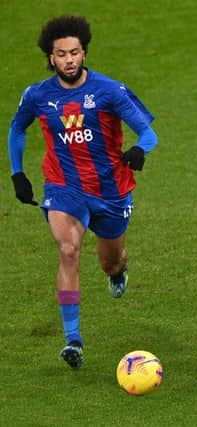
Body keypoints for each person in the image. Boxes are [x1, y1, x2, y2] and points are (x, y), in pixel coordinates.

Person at [8, 16, 158, 369]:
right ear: (51, 58)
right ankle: (73, 339)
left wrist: (140, 149)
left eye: (75, 52)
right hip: (64, 186)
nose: (69, 60)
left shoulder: (110, 91)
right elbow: (17, 129)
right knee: (68, 248)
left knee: (110, 262)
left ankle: (119, 271)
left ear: (84, 53)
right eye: (61, 54)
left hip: (110, 190)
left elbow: (149, 133)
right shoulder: (38, 95)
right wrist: (17, 173)